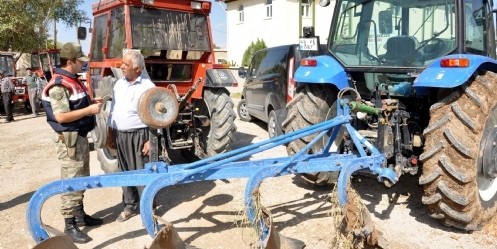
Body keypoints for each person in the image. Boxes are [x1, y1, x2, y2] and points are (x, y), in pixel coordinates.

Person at [40, 42, 103, 243]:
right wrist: (89, 111)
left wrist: (91, 103)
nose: (81, 65)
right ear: (70, 62)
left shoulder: (71, 80)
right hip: (70, 140)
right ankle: (69, 225)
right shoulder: (59, 85)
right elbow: (61, 117)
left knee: (81, 178)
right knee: (71, 181)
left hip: (79, 138)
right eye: (79, 61)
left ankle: (79, 215)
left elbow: (75, 106)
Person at [106, 50, 155, 222]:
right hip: (120, 135)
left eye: (125, 65)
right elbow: (113, 111)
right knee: (124, 171)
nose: (121, 67)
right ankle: (130, 206)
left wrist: (150, 140)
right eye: (122, 64)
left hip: (139, 136)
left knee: (142, 172)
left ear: (137, 69)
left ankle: (147, 209)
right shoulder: (119, 84)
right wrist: (110, 132)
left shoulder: (148, 87)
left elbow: (156, 117)